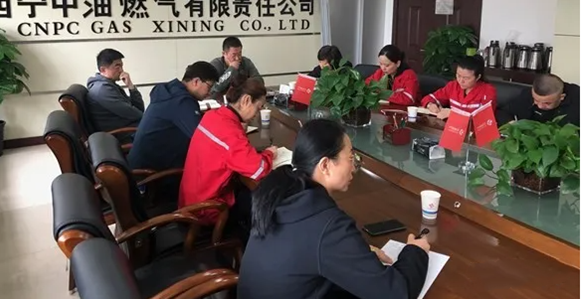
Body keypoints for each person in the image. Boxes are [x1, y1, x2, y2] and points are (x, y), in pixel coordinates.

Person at [238, 119, 429, 299]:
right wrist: (416, 251)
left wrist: (356, 251)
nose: (354, 166)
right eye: (350, 157)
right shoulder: (328, 226)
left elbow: (303, 247)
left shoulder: (280, 193)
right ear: (325, 165)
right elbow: (396, 293)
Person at [179, 75, 278, 234]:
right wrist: (269, 153)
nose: (258, 113)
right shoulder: (230, 133)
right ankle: (249, 244)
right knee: (264, 204)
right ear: (246, 100)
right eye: (259, 107)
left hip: (191, 198)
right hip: (206, 211)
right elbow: (259, 170)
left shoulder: (213, 115)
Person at [126, 62, 219, 200]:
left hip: (140, 168)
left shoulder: (170, 92)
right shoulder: (181, 102)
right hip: (151, 180)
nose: (210, 92)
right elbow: (203, 138)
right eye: (209, 87)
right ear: (196, 81)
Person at [86, 49, 144, 142]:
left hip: (130, 128)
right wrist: (150, 118)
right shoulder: (102, 89)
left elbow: (139, 109)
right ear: (103, 69)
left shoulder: (110, 85)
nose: (121, 70)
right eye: (117, 66)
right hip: (122, 134)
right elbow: (134, 114)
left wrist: (130, 86)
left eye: (121, 66)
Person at [421, 55, 496, 120]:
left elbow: (484, 119)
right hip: (452, 128)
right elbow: (429, 98)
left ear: (478, 77)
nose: (461, 81)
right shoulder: (453, 86)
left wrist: (453, 114)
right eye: (458, 76)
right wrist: (430, 105)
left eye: (466, 78)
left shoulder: (487, 91)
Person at [498, 74, 580, 126]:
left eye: (547, 103)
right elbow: (503, 112)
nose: (540, 106)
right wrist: (512, 123)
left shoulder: (577, 99)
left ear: (561, 97)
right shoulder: (527, 94)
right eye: (536, 100)